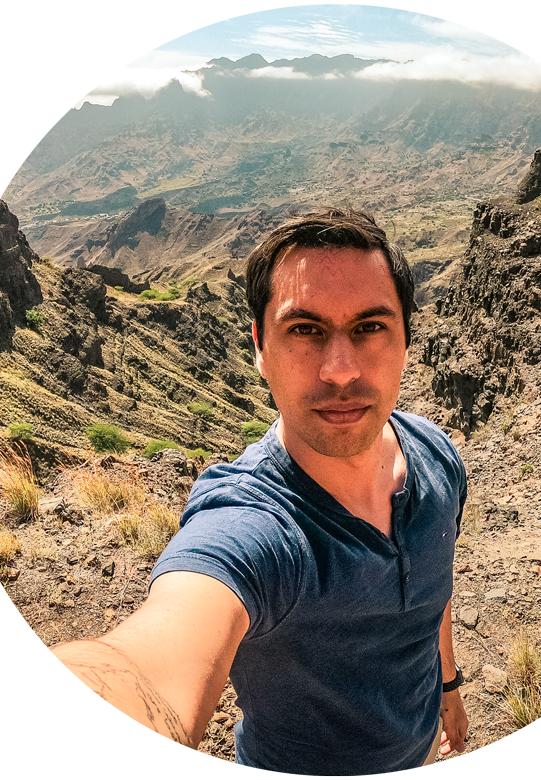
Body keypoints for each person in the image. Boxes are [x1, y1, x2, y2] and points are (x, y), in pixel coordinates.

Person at [52, 207, 469, 774]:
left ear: (406, 341)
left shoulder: (436, 455)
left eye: (370, 327)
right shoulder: (252, 524)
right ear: (259, 346)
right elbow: (153, 659)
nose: (340, 370)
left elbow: (433, 587)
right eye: (305, 330)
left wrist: (448, 684)